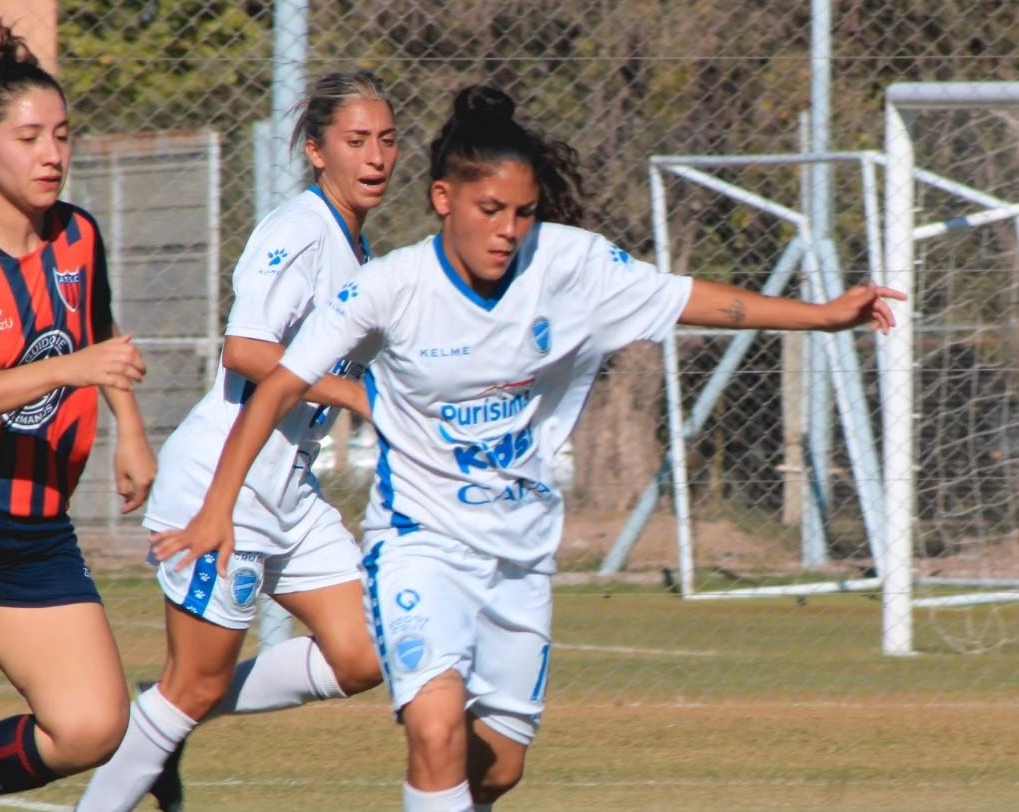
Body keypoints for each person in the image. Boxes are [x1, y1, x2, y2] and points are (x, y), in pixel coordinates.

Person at [151, 85, 905, 811]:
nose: (508, 229)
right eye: (490, 210)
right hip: (419, 543)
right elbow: (276, 380)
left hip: (518, 555)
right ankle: (173, 720)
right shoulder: (393, 283)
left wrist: (820, 316)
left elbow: (687, 299)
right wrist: (218, 506)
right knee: (435, 729)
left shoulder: (571, 265)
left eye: (523, 213)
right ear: (444, 199)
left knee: (498, 767)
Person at [77, 72, 399, 811]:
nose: (375, 156)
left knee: (365, 654)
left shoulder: (363, 252)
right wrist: (353, 393)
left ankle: (158, 717)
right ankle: (154, 730)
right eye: (356, 142)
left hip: (289, 491)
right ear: (317, 152)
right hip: (225, 482)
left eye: (386, 140)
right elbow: (247, 352)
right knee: (195, 685)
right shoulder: (299, 231)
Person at [0, 23, 157, 810]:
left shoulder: (79, 235)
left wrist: (129, 429)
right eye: (29, 137)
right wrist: (63, 371)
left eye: (61, 136)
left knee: (93, 724)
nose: (52, 154)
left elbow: (99, 333)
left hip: (39, 526)